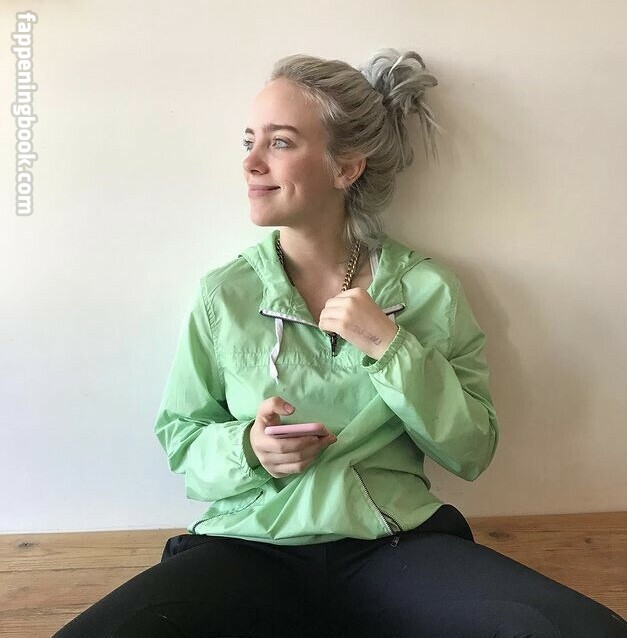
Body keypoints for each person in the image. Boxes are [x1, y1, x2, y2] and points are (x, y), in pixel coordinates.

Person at [54, 48, 627, 638]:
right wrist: (250, 448)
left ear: (346, 168)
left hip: (394, 546)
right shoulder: (224, 294)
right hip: (249, 546)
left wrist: (392, 347)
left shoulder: (428, 290)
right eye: (248, 141)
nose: (250, 162)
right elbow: (182, 438)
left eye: (279, 142)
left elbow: (471, 450)